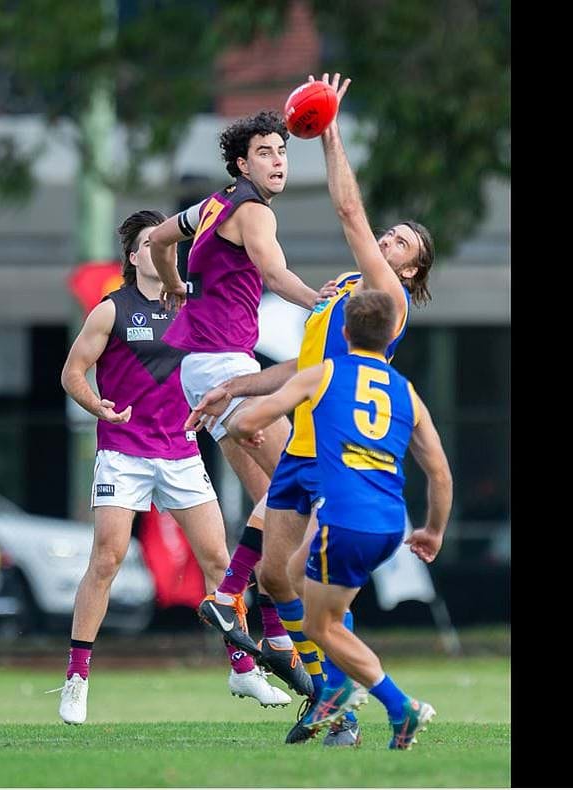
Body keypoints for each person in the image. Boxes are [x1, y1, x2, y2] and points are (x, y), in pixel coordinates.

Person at [184, 74, 434, 746]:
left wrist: (329, 131)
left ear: (409, 272)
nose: (387, 243)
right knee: (277, 575)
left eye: (401, 245)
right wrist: (237, 387)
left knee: (313, 587)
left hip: (335, 449)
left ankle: (345, 703)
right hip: (302, 440)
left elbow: (349, 211)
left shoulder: (387, 297)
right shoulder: (346, 292)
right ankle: (326, 691)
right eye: (390, 236)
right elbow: (304, 367)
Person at [55, 210, 288, 725]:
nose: (164, 249)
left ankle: (243, 668)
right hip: (124, 452)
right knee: (108, 559)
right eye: (149, 243)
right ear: (133, 255)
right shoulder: (112, 310)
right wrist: (97, 407)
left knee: (220, 561)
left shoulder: (192, 307)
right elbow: (73, 373)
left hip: (181, 451)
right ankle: (76, 678)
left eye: (169, 243)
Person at [144, 108, 336, 699]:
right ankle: (230, 596)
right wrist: (322, 303)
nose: (278, 161)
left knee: (272, 504)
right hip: (226, 367)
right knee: (301, 485)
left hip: (203, 369)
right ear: (241, 164)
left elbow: (158, 239)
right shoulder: (253, 210)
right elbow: (274, 275)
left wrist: (173, 285)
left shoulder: (211, 206)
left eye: (283, 150)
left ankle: (272, 636)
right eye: (265, 152)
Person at [225, 289, 452, 747]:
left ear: (344, 332)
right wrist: (433, 531)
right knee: (290, 573)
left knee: (319, 625)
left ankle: (396, 706)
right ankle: (340, 693)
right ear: (391, 337)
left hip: (347, 521)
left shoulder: (325, 372)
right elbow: (440, 473)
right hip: (390, 523)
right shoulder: (406, 391)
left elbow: (247, 421)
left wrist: (241, 429)